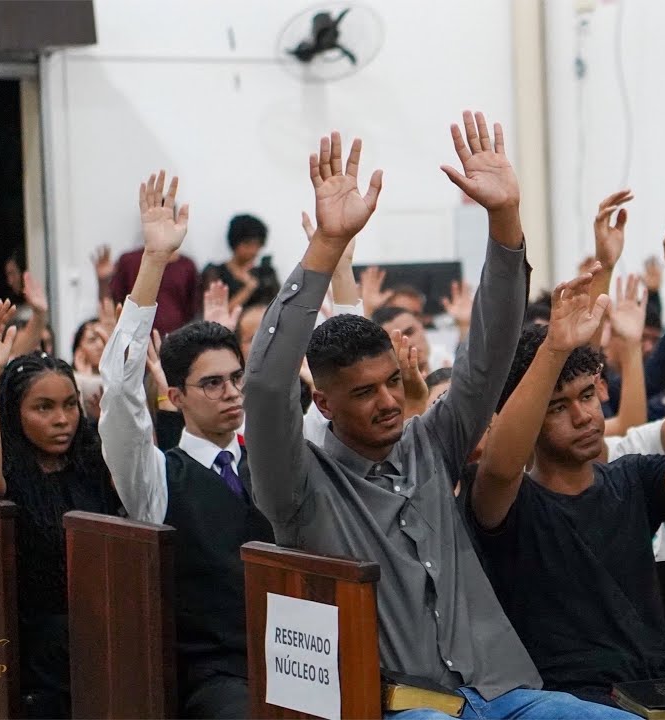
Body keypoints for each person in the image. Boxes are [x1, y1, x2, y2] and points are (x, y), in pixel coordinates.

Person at [244, 116, 629, 719]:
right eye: (365, 393)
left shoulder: (430, 444)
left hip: (504, 694)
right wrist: (325, 246)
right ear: (324, 404)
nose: (390, 401)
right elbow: (266, 387)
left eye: (393, 382)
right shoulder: (298, 487)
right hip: (403, 710)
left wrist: (505, 221)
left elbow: (488, 357)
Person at [464, 271, 665, 718]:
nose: (583, 416)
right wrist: (553, 349)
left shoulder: (632, 478)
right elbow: (499, 466)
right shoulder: (508, 500)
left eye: (588, 396)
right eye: (558, 407)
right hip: (570, 700)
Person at [99, 171, 274, 718]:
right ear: (175, 395)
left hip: (299, 655)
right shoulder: (155, 476)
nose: (231, 394)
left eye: (237, 379)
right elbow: (122, 391)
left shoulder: (270, 461)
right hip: (217, 677)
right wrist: (153, 264)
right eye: (213, 384)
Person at [0, 300, 123, 719]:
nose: (62, 420)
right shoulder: (11, 475)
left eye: (70, 405)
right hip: (39, 657)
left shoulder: (91, 464)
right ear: (14, 415)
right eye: (44, 408)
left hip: (104, 638)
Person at [107, 226, 199, 335]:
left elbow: (192, 309)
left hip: (176, 338)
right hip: (134, 336)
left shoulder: (186, 265)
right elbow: (115, 300)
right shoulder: (129, 261)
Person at [200, 213, 280, 311]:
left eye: (257, 245)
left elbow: (279, 307)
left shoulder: (266, 273)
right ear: (235, 242)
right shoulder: (215, 272)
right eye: (248, 245)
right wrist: (249, 287)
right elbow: (216, 313)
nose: (253, 251)